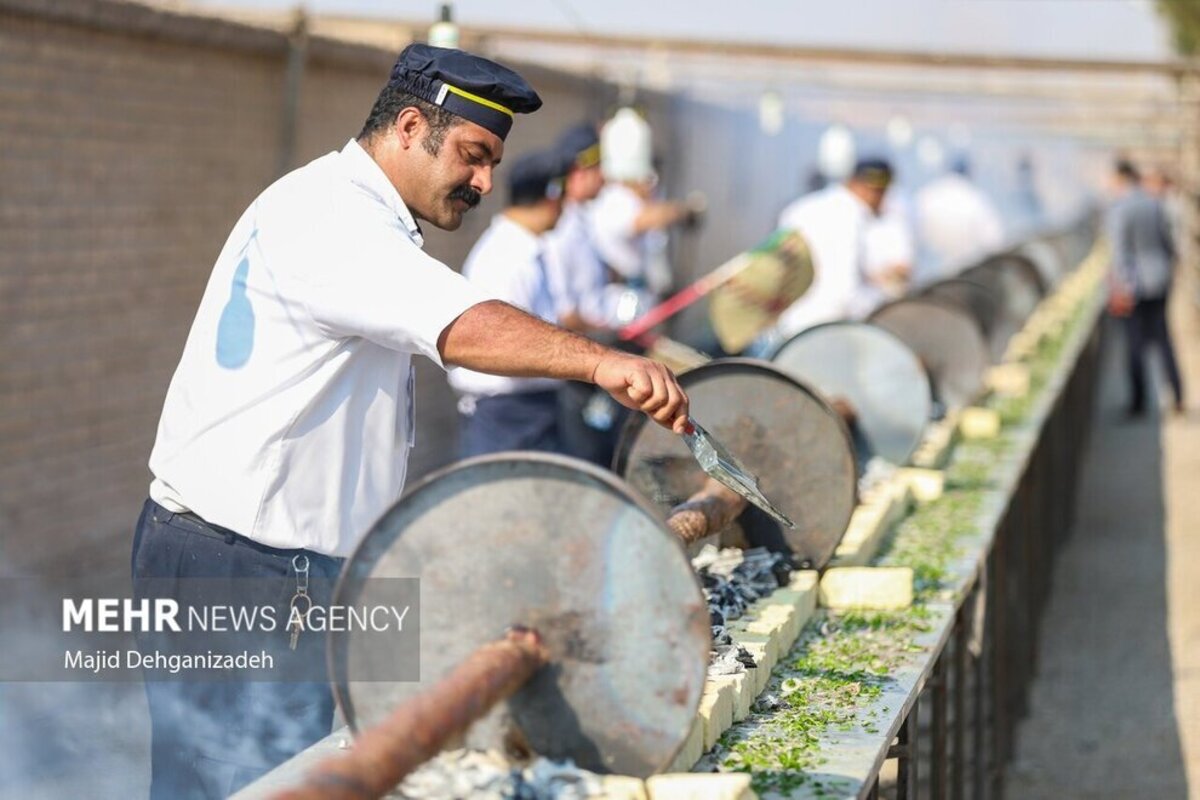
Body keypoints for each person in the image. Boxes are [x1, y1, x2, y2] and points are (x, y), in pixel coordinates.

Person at [133, 44, 689, 799]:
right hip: (241, 569)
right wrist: (598, 363)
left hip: (283, 568)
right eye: (472, 154)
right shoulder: (332, 216)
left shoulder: (350, 213)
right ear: (406, 127)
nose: (485, 181)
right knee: (242, 784)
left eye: (492, 161)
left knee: (287, 773)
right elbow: (462, 325)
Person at [448, 148, 571, 456]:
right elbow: (504, 342)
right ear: (553, 196)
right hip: (506, 415)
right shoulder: (506, 256)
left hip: (526, 410)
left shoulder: (526, 249)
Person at [588, 107, 703, 321]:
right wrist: (683, 211)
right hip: (620, 302)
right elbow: (643, 220)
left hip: (643, 299)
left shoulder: (635, 200)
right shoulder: (615, 199)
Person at [773, 158, 903, 339]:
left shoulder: (800, 208)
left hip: (788, 325)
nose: (881, 199)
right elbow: (845, 292)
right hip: (826, 330)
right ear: (856, 184)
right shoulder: (850, 217)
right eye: (878, 192)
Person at [1107, 159, 1185, 417]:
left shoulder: (1121, 209)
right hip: (1160, 279)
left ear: (1121, 179)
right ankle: (1178, 395)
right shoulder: (1155, 204)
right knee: (1164, 340)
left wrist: (1124, 287)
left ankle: (1139, 403)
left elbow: (1120, 254)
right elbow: (1169, 242)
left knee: (1135, 345)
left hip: (1137, 284)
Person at [913, 155, 1006, 282]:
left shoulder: (926, 195)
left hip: (927, 280)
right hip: (966, 279)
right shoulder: (976, 199)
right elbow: (994, 242)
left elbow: (913, 237)